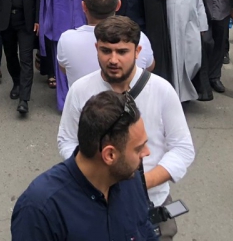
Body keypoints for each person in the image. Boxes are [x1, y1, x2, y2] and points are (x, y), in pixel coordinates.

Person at [57, 17, 194, 240]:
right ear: (96, 48)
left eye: (122, 51)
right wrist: (92, 176)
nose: (113, 59)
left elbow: (182, 148)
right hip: (95, 204)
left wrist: (142, 183)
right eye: (105, 50)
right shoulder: (80, 90)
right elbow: (67, 140)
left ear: (137, 51)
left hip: (150, 201)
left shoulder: (162, 90)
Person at [13, 90, 157, 240]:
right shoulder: (40, 210)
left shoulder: (129, 179)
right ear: (109, 155)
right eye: (139, 148)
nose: (147, 153)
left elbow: (145, 230)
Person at [58, 0, 154, 88]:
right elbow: (149, 67)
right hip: (127, 104)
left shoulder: (66, 39)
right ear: (118, 5)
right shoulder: (139, 38)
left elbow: (64, 69)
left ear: (84, 7)